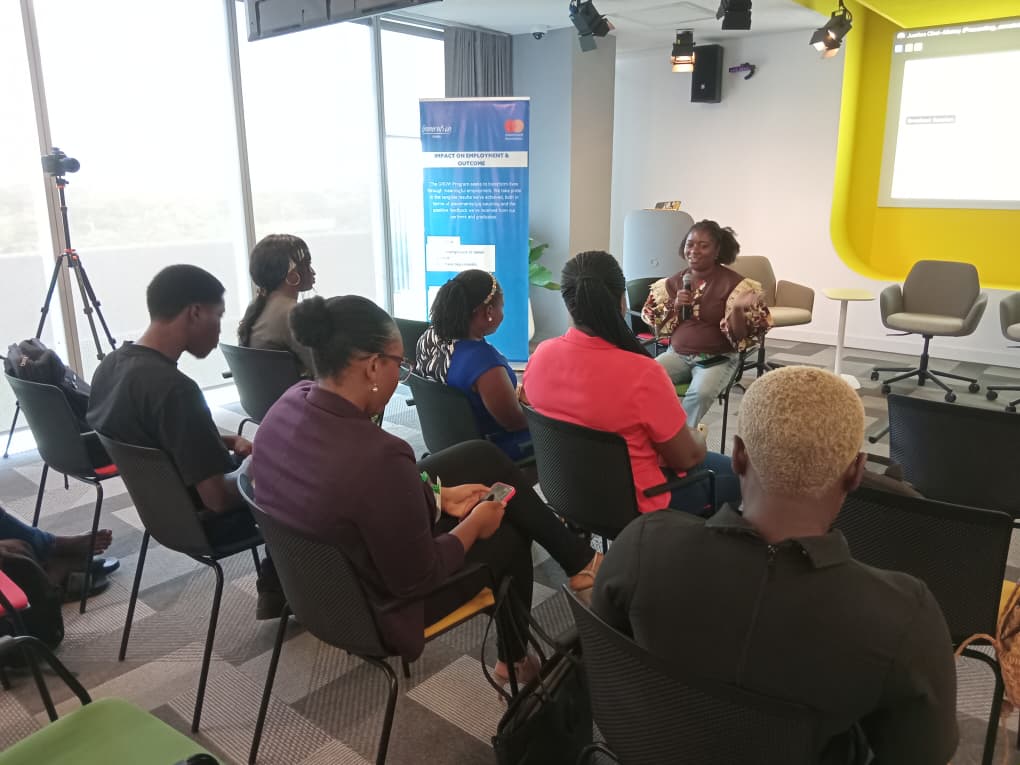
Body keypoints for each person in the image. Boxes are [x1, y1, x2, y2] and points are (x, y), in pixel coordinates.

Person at [591, 366, 958, 765]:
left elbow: (606, 666)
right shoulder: (905, 617)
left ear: (738, 455)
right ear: (855, 472)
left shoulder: (643, 545)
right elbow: (923, 753)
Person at [251, 294, 602, 684]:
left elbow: (349, 492)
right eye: (399, 364)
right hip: (375, 608)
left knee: (478, 456)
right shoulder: (380, 457)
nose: (401, 375)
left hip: (315, 589)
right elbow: (420, 576)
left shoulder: (286, 406)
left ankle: (580, 561)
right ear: (372, 366)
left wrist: (438, 496)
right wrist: (474, 526)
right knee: (508, 535)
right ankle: (515, 658)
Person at [87, 265, 281, 616]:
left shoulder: (112, 366)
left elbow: (152, 435)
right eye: (218, 316)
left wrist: (224, 440)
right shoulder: (176, 391)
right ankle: (296, 589)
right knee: (298, 472)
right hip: (209, 522)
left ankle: (279, 587)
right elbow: (219, 500)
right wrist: (257, 463)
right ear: (195, 312)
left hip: (163, 514)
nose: (219, 328)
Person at [524, 250, 740, 516]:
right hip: (638, 505)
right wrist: (697, 437)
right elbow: (687, 458)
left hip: (569, 491)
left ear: (568, 304)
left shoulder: (540, 356)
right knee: (741, 474)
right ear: (622, 301)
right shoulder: (643, 374)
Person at [641, 220, 771, 427]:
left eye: (703, 246)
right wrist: (675, 305)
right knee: (643, 379)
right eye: (690, 244)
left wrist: (738, 310)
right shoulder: (673, 282)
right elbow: (654, 323)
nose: (694, 250)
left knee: (699, 393)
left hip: (717, 359)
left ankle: (682, 438)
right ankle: (657, 429)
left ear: (717, 251)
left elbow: (740, 337)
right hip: (677, 355)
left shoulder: (737, 286)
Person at [414, 270, 530, 461]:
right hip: (490, 449)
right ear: (489, 312)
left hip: (451, 442)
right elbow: (514, 423)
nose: (503, 313)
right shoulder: (484, 363)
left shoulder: (430, 337)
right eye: (501, 306)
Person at [237, 234, 317, 376]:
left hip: (272, 391)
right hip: (295, 390)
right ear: (291, 273)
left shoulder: (258, 304)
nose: (313, 271)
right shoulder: (293, 313)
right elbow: (325, 370)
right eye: (307, 264)